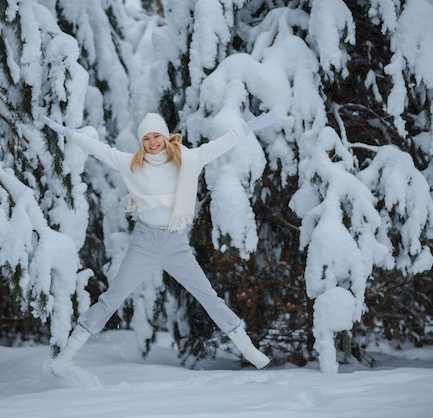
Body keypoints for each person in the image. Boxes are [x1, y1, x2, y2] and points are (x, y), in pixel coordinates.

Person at [42, 111, 277, 369]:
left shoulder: (189, 160)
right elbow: (98, 149)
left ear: (165, 136)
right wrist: (68, 133)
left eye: (156, 136)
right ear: (141, 142)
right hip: (143, 243)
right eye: (146, 138)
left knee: (209, 297)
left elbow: (222, 143)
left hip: (175, 243)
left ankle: (248, 350)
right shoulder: (131, 163)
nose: (152, 142)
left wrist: (250, 126)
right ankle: (66, 356)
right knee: (112, 298)